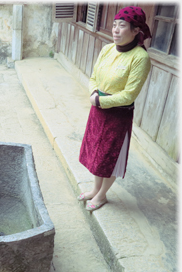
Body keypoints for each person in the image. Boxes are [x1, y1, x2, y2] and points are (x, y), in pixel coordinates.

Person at [78, 6, 152, 211]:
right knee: (96, 152)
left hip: (118, 115)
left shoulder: (140, 58)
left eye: (122, 26)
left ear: (136, 30)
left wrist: (101, 101)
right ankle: (95, 189)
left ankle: (101, 195)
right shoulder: (107, 49)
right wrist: (94, 92)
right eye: (114, 25)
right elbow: (93, 77)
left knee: (110, 157)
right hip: (97, 110)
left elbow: (129, 94)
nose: (116, 30)